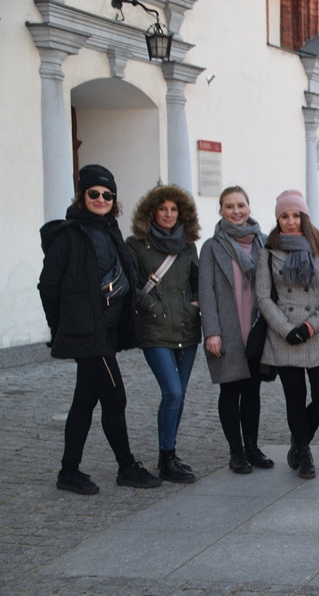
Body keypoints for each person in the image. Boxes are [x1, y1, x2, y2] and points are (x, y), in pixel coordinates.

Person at [38, 164, 161, 494]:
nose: (101, 199)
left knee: (84, 401)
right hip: (85, 332)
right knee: (115, 396)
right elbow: (47, 286)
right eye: (94, 193)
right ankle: (126, 466)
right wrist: (60, 325)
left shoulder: (109, 230)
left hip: (105, 329)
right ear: (82, 196)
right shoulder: (68, 235)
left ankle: (68, 471)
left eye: (108, 195)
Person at [256, 190, 319, 480]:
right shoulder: (268, 251)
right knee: (295, 397)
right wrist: (285, 329)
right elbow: (263, 297)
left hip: (316, 333)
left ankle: (299, 436)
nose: (290, 221)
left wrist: (311, 326)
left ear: (304, 216)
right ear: (277, 219)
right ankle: (303, 451)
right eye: (284, 216)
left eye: (295, 215)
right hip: (285, 335)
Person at [126, 184, 201, 484]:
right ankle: (166, 455)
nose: (169, 214)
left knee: (179, 396)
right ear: (152, 212)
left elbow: (199, 281)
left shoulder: (188, 245)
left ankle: (168, 455)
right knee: (171, 391)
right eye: (163, 209)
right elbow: (131, 286)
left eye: (174, 209)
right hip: (155, 329)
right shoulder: (136, 245)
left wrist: (194, 306)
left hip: (187, 328)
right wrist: (153, 308)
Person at [199, 186, 275, 474]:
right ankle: (236, 451)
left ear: (249, 206)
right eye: (229, 206)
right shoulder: (212, 246)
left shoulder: (264, 242)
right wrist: (212, 332)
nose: (236, 211)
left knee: (253, 390)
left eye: (241, 205)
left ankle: (252, 447)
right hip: (229, 328)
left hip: (255, 329)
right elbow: (206, 291)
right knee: (230, 391)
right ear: (221, 210)